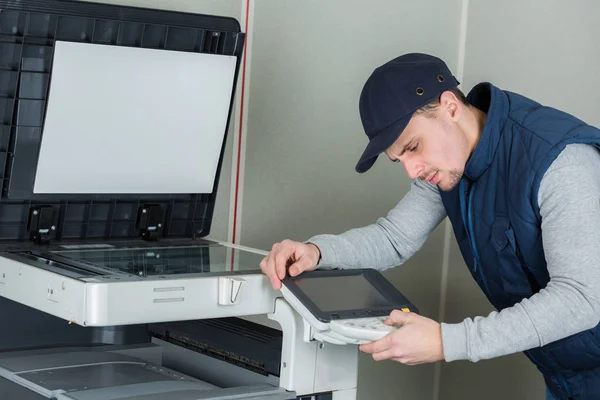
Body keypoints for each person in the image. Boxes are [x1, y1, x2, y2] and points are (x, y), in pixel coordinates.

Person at [258, 53, 600, 400]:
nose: (411, 170)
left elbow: (581, 299)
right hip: (566, 376)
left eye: (413, 147)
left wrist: (445, 341)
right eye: (399, 159)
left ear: (450, 107)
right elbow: (395, 238)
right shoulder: (448, 167)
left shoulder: (561, 161)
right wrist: (318, 251)